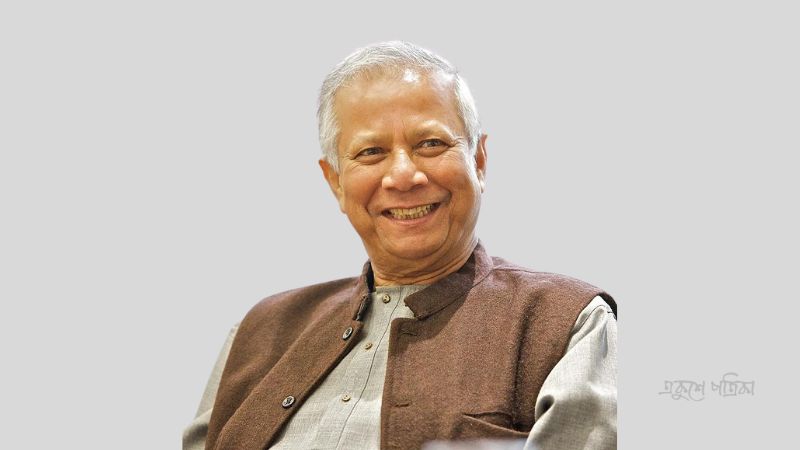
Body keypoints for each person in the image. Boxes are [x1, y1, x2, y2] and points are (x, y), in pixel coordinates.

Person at [183, 41, 617, 450]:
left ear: (479, 161)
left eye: (431, 144)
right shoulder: (260, 332)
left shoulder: (569, 322)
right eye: (371, 152)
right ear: (335, 182)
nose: (404, 176)